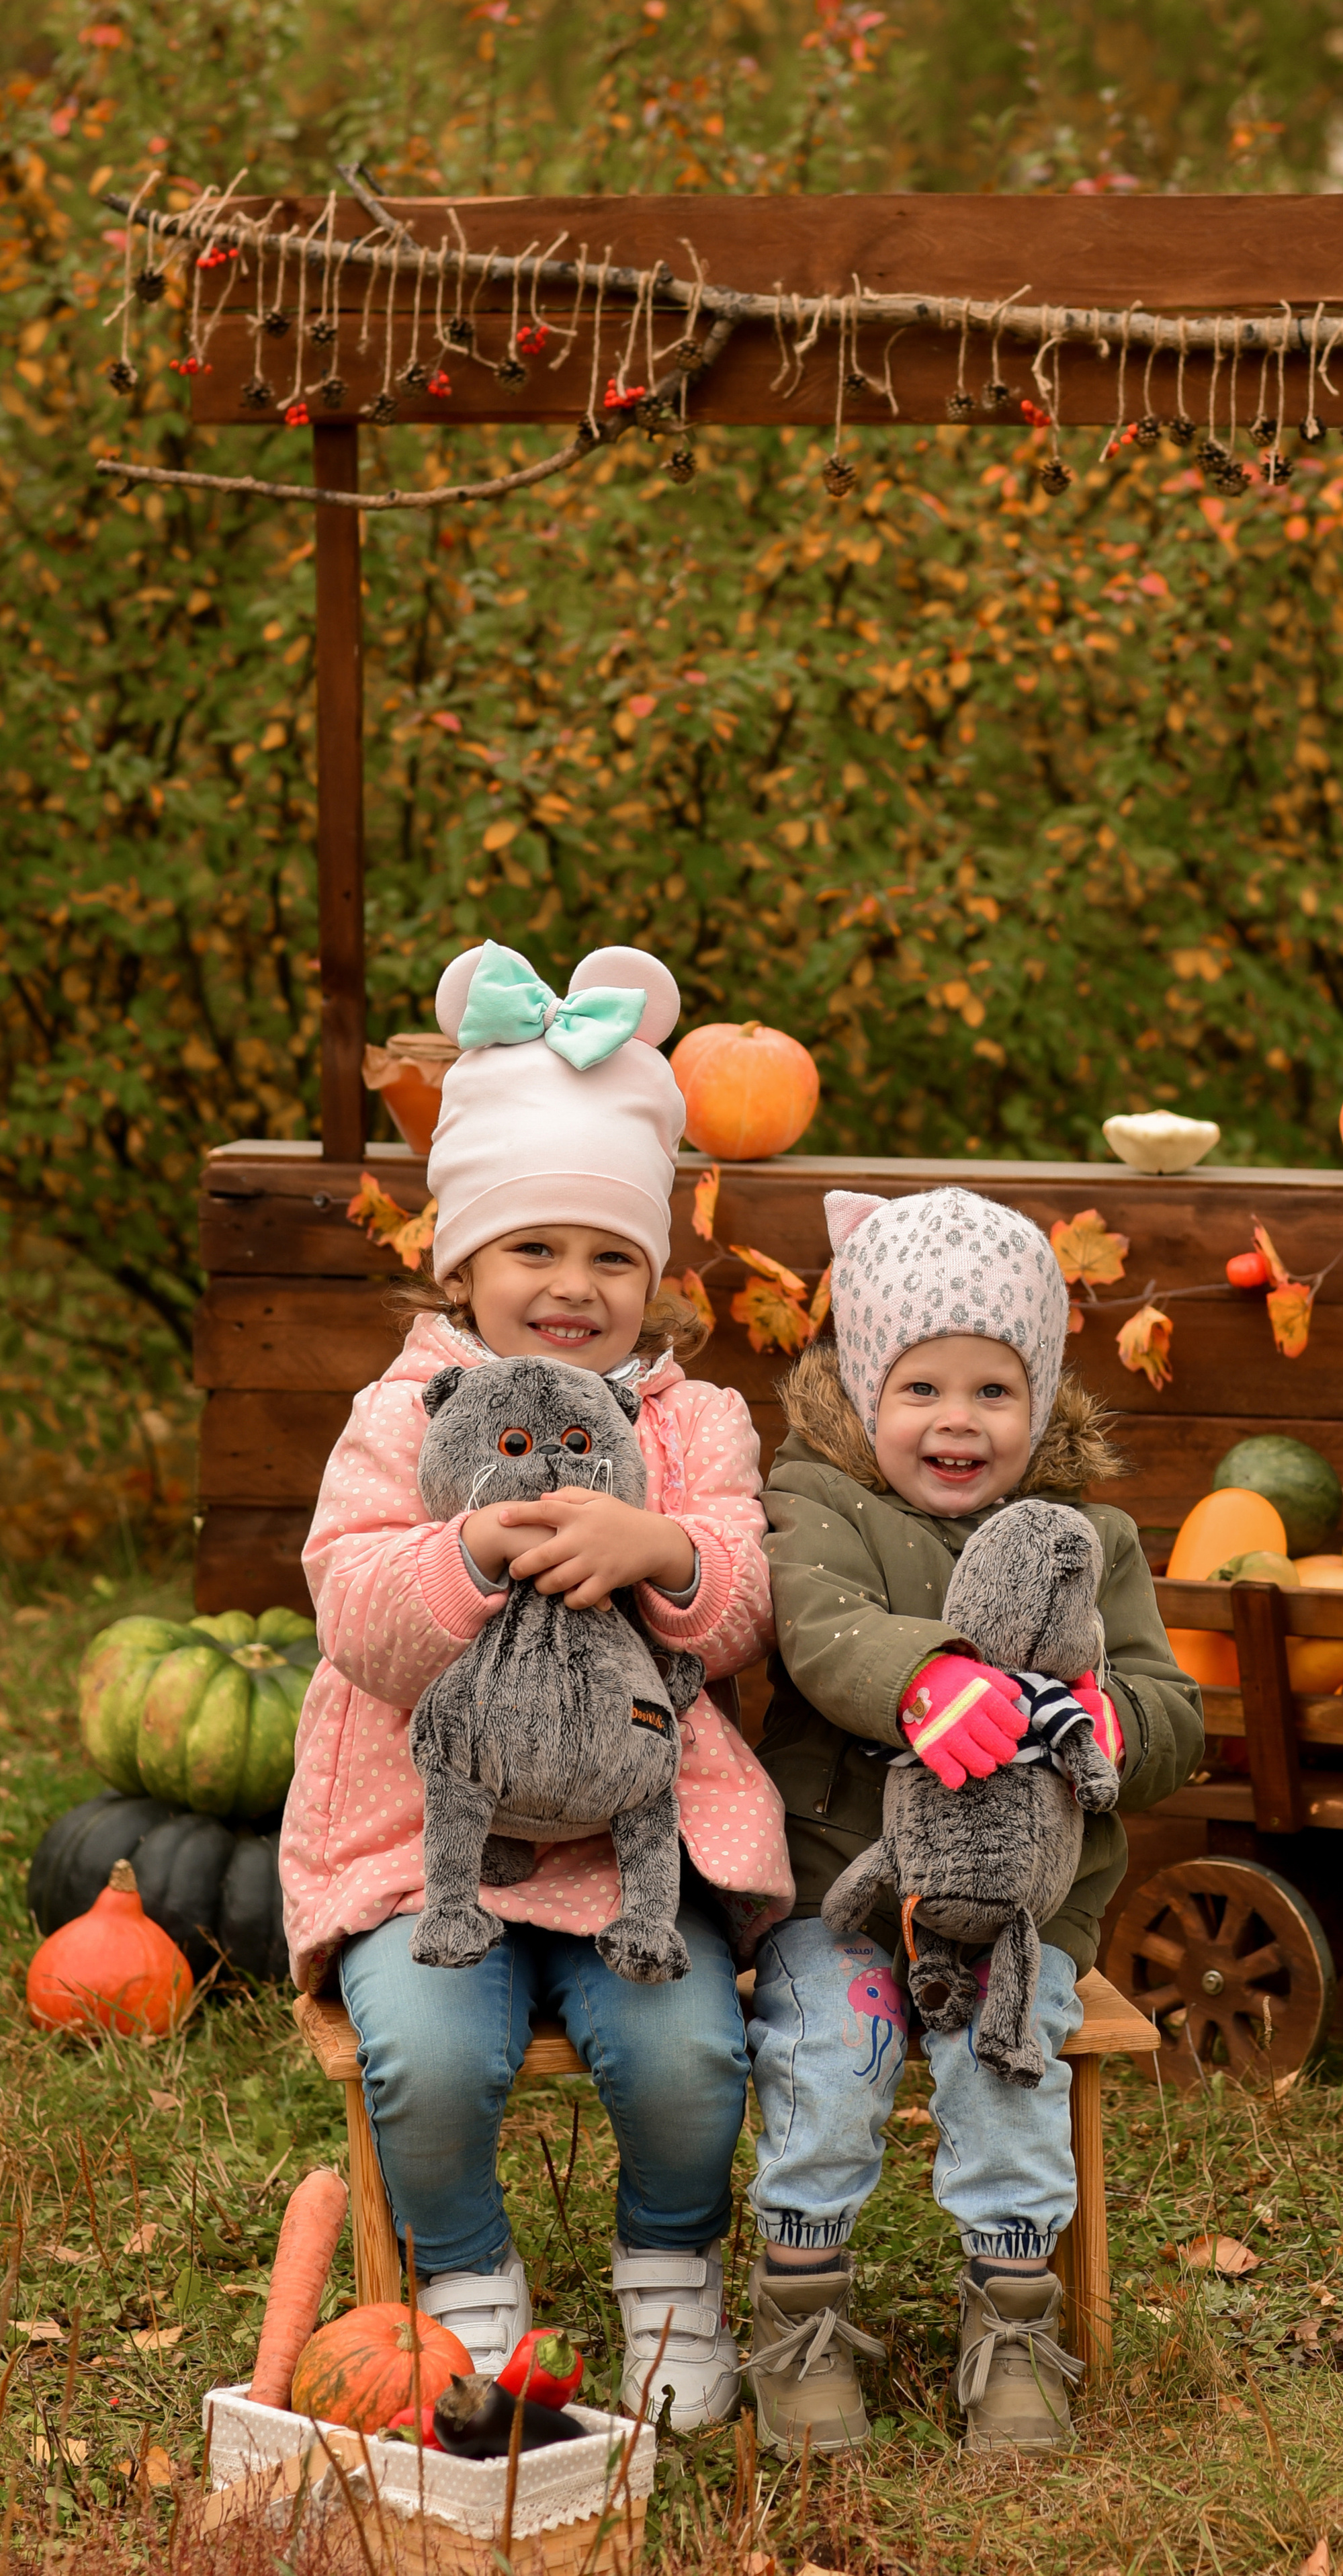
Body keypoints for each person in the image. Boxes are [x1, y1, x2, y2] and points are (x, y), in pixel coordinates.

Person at [279, 939, 791, 2428]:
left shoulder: (694, 1422)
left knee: (691, 2051)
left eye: (610, 1255)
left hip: (638, 1843)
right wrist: (466, 1556)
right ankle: (468, 2295)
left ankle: (671, 2279)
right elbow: (356, 1606)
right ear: (460, 1264)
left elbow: (742, 1603)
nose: (573, 1286)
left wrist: (662, 1549)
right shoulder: (405, 1414)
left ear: (654, 1276)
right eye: (534, 1249)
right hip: (426, 1843)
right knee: (431, 2056)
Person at [744, 1186, 1203, 2456]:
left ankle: (1010, 2319)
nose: (958, 1419)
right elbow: (813, 1625)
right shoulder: (817, 1500)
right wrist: (924, 1672)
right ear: (864, 1398)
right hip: (845, 1888)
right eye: (922, 1387)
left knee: (1005, 2072)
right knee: (829, 2060)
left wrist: (1111, 1725)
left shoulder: (1090, 1540)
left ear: (1043, 1401)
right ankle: (802, 2310)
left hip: (1023, 1902)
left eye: (995, 1390)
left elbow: (1175, 1701)